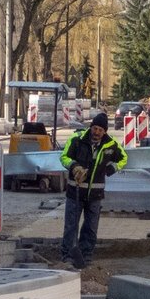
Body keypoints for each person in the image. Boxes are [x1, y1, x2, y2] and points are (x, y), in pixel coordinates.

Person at [60, 112, 127, 269]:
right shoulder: (77, 140)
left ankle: (86, 256)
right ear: (91, 127)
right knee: (71, 226)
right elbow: (64, 157)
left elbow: (123, 158)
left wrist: (112, 168)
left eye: (100, 130)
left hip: (95, 195)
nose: (96, 132)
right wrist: (74, 166)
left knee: (91, 227)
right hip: (75, 192)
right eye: (95, 128)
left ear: (105, 132)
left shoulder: (111, 145)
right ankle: (68, 255)